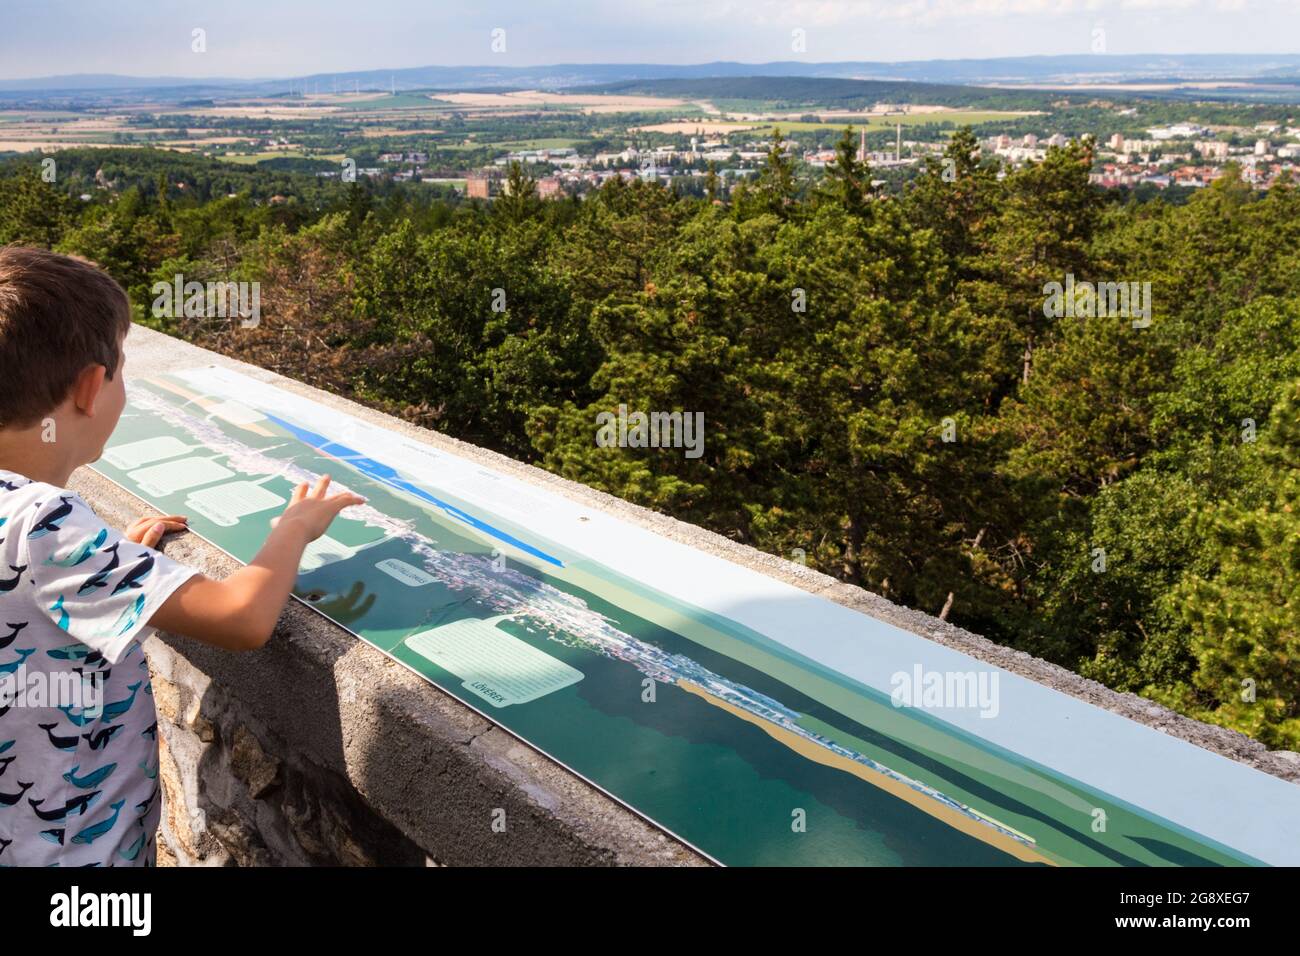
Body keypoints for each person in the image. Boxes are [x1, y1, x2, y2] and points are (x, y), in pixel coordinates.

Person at [0, 246, 363, 866]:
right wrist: (294, 528)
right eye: (120, 370)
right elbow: (241, 617)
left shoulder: (40, 533)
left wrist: (113, 564)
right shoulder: (47, 526)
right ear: (91, 387)